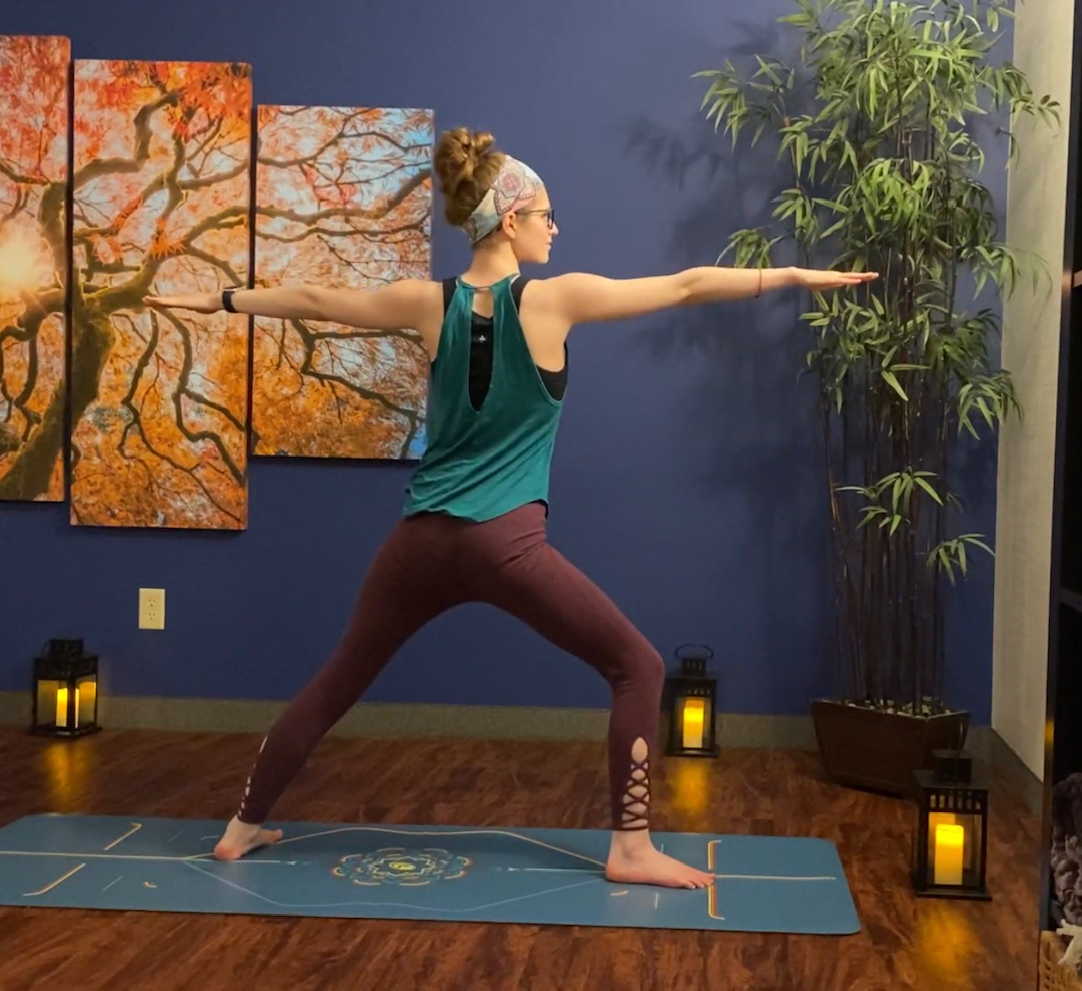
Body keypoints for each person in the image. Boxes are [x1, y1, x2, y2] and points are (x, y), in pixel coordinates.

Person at [143, 127, 877, 889]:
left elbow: (316, 299)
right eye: (547, 214)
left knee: (336, 683)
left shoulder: (426, 303)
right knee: (638, 666)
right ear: (512, 219)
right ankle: (631, 847)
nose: (556, 228)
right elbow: (688, 285)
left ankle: (240, 827)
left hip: (418, 544)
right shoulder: (557, 300)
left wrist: (215, 297)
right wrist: (795, 274)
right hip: (506, 546)